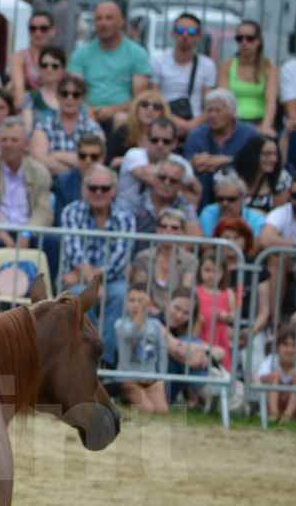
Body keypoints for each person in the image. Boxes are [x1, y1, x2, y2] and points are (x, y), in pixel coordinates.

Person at [59, 164, 134, 366]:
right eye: (93, 188)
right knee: (79, 294)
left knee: (120, 294)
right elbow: (74, 252)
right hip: (81, 281)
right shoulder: (71, 212)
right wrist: (94, 285)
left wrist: (95, 281)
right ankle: (86, 356)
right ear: (85, 190)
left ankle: (104, 361)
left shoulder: (125, 216)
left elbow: (120, 257)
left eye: (105, 188)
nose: (99, 193)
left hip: (110, 279)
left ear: (114, 191)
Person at [67, 0, 149, 128]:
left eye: (109, 18)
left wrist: (112, 110)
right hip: (87, 114)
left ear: (121, 22)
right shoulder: (80, 54)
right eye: (99, 19)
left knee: (121, 120)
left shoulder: (137, 54)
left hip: (123, 116)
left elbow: (139, 97)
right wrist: (88, 110)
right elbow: (73, 90)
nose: (103, 23)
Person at [0, 117, 53, 248]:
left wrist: (26, 234)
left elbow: (43, 212)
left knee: (52, 241)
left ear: (26, 144)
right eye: (4, 140)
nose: (8, 145)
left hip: (28, 230)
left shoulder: (40, 171)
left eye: (14, 140)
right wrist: (2, 234)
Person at [183, 89, 262, 200]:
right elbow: (191, 165)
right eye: (209, 111)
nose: (213, 115)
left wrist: (226, 161)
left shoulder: (249, 134)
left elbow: (256, 165)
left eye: (218, 111)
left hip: (241, 192)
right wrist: (195, 163)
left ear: (232, 112)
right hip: (203, 191)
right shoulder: (196, 135)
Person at [151, 11, 215, 136]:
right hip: (163, 117)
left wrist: (192, 124)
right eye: (180, 30)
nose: (185, 35)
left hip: (196, 122)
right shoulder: (158, 60)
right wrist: (176, 122)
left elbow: (209, 103)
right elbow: (155, 98)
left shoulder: (207, 64)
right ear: (172, 34)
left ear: (198, 36)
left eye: (191, 31)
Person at [118, 116, 194, 216]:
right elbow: (149, 177)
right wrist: (175, 178)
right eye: (154, 140)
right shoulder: (134, 154)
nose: (160, 145)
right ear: (146, 139)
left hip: (164, 220)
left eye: (166, 141)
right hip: (126, 214)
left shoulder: (180, 161)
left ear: (175, 143)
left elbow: (192, 186)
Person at [31, 72, 102, 177]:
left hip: (84, 187)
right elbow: (39, 160)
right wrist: (76, 168)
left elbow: (97, 162)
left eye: (76, 95)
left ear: (82, 98)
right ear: (57, 96)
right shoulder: (43, 125)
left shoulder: (93, 127)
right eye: (64, 94)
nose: (70, 98)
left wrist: (56, 155)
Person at [218, 19, 279, 140]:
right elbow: (223, 100)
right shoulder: (227, 66)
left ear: (259, 41)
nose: (244, 42)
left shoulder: (269, 68)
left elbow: (271, 101)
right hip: (232, 123)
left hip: (259, 121)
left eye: (249, 38)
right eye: (239, 38)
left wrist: (265, 126)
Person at [127, 209, 196, 316]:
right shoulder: (143, 257)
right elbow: (140, 290)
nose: (168, 231)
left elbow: (184, 293)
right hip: (147, 311)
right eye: (163, 226)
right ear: (157, 229)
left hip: (176, 314)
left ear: (182, 232)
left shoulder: (190, 260)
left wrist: (169, 312)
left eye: (174, 228)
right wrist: (152, 309)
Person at [115, 283, 170, 414]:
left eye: (141, 301)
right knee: (147, 410)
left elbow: (162, 352)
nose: (136, 304)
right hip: (129, 379)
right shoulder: (120, 323)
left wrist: (161, 379)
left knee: (162, 411)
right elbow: (132, 334)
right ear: (126, 303)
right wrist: (142, 311)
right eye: (132, 300)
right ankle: (125, 401)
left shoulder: (156, 325)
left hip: (149, 378)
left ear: (149, 304)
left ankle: (138, 399)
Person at [194, 252, 238, 372]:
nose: (211, 275)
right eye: (207, 270)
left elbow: (234, 316)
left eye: (216, 271)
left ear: (223, 273)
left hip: (220, 339)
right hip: (200, 336)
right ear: (200, 271)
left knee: (222, 371)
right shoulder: (196, 292)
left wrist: (227, 317)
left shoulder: (228, 294)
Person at [235, 137, 291, 215]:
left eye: (275, 154)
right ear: (252, 154)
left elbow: (278, 217)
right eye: (267, 154)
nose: (273, 159)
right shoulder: (232, 175)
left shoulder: (281, 178)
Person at [255, 332, 296, 424]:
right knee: (274, 376)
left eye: (293, 345)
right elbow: (258, 378)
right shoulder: (271, 360)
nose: (290, 350)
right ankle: (273, 414)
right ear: (278, 348)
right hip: (271, 402)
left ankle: (287, 417)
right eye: (285, 345)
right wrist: (272, 377)